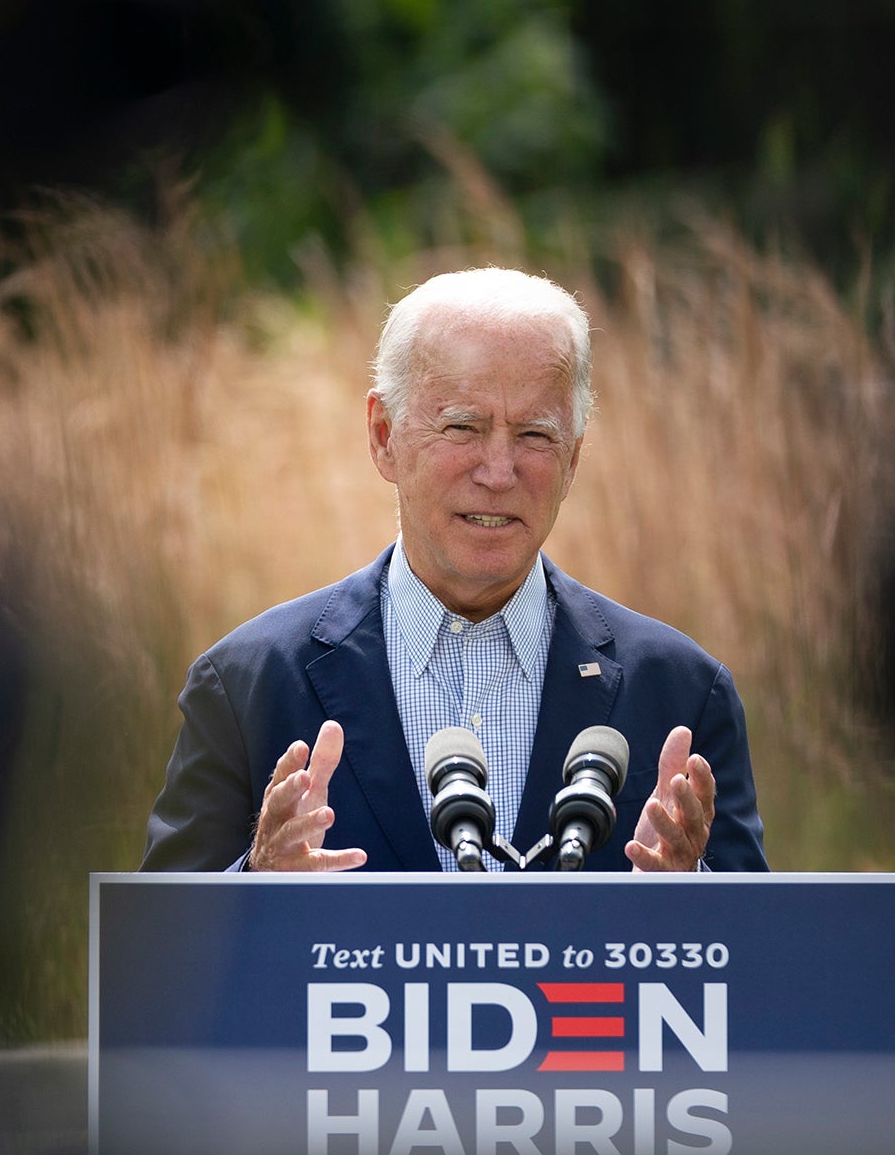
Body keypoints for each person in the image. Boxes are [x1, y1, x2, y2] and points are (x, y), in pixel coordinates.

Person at [142, 267, 766, 874]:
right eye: (462, 427)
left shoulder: (682, 693)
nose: (498, 472)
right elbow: (157, 958)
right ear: (384, 435)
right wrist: (256, 883)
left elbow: (765, 960)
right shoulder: (248, 687)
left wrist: (693, 901)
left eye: (535, 436)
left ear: (573, 459)